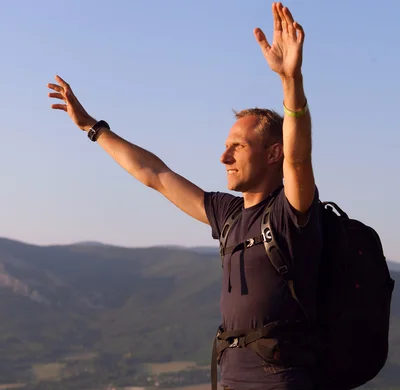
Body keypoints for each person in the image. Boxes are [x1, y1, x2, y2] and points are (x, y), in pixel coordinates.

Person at [47, 2, 321, 389]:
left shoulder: (290, 214)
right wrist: (93, 127)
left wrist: (290, 80)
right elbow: (156, 175)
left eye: (237, 147)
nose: (223, 156)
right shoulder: (228, 214)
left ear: (273, 153)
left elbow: (298, 158)